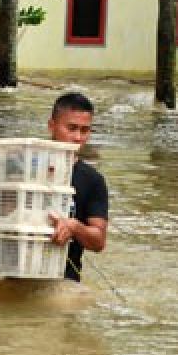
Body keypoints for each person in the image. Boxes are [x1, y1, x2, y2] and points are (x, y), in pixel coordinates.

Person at [46, 92, 108, 282]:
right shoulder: (22, 167)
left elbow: (98, 241)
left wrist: (74, 227)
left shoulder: (93, 180)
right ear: (52, 126)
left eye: (84, 130)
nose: (78, 137)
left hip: (64, 279)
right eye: (71, 128)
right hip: (15, 276)